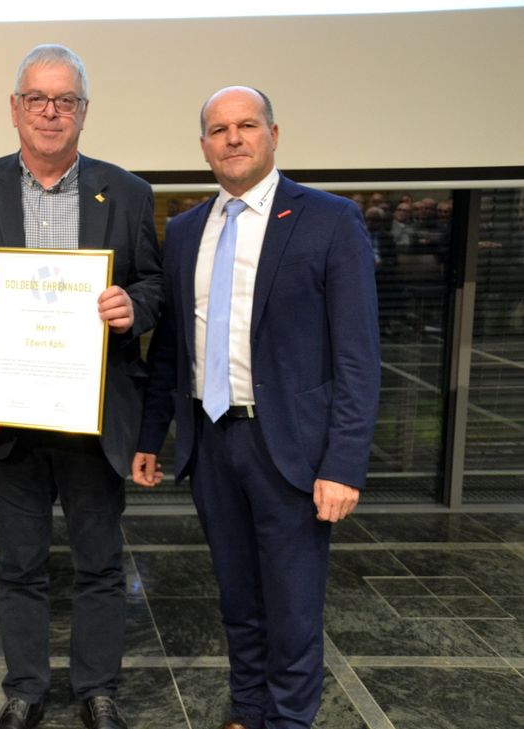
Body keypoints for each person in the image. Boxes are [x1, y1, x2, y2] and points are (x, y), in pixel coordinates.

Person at [132, 86, 380, 729]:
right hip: (211, 442)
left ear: (274, 133)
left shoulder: (328, 219)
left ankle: (290, 720)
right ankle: (247, 711)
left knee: (293, 607)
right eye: (219, 130)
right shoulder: (186, 229)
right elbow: (172, 352)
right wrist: (150, 434)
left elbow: (357, 355)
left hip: (291, 450)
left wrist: (345, 463)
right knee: (238, 599)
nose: (233, 139)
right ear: (203, 146)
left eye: (246, 126)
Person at [0, 44, 163, 729]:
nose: (50, 112)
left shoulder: (127, 192)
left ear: (84, 113)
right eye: (37, 98)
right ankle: (25, 688)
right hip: (9, 416)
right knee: (19, 563)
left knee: (99, 561)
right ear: (14, 109)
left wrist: (133, 306)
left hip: (94, 414)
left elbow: (154, 286)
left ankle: (97, 688)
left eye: (65, 100)